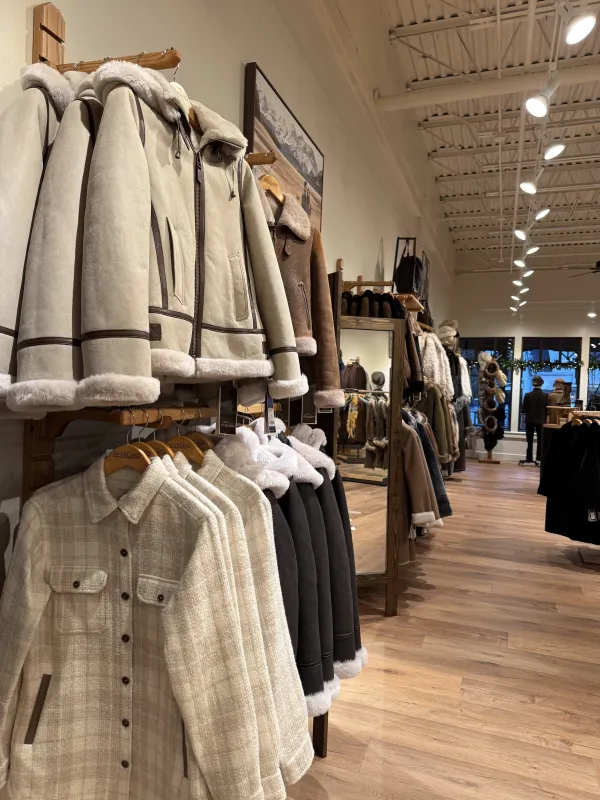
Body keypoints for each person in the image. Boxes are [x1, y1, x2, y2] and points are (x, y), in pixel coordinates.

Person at [520, 376, 549, 466]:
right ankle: (539, 460)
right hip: (541, 421)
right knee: (540, 440)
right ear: (542, 384)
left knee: (529, 440)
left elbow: (524, 410)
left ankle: (529, 458)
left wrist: (522, 421)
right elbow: (547, 410)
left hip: (529, 420)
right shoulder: (546, 396)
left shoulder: (528, 395)